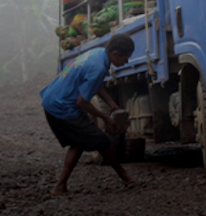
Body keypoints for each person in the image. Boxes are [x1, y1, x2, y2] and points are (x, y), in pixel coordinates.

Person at [41, 34, 137, 195]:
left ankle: (60, 186)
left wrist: (111, 104)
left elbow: (95, 85)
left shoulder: (98, 53)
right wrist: (106, 118)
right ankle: (126, 177)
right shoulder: (99, 67)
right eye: (125, 58)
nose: (126, 62)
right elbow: (82, 102)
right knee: (102, 142)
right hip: (62, 106)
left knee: (79, 141)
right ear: (114, 54)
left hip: (52, 100)